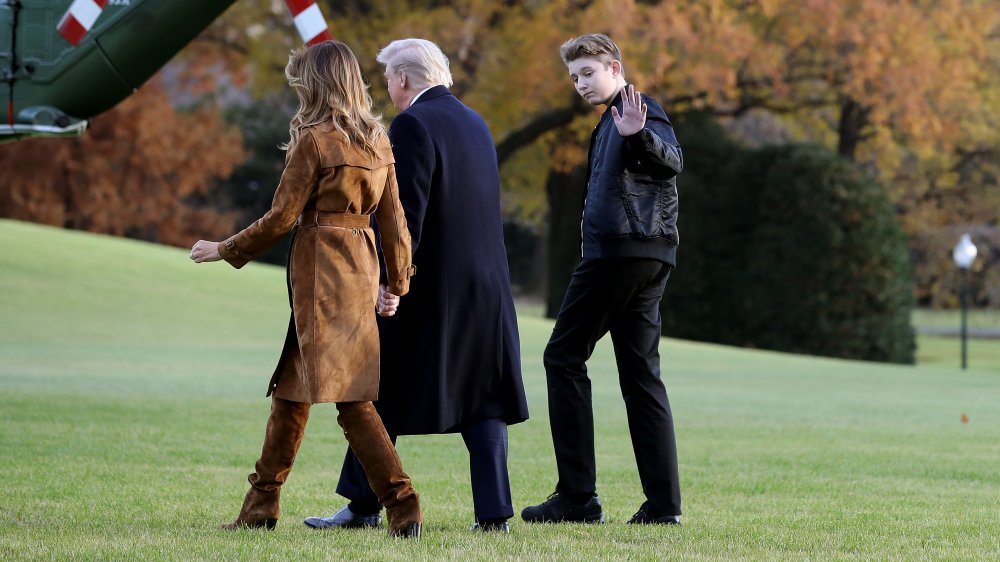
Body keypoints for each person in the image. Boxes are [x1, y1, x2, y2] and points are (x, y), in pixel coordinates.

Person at [188, 40, 422, 538]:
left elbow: (282, 217)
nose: (296, 89)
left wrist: (224, 248)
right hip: (359, 269)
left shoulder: (313, 140)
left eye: (301, 81)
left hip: (321, 271)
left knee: (352, 400)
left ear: (316, 84)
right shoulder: (378, 139)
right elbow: (394, 220)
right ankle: (260, 507)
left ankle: (403, 506)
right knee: (291, 394)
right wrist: (396, 281)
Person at [303, 38, 528, 534]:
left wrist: (389, 281)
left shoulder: (412, 124)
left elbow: (406, 216)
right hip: (487, 287)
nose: (387, 88)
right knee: (484, 399)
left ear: (405, 79)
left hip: (429, 286)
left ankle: (363, 506)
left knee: (381, 389)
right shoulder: (476, 122)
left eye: (388, 79)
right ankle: (494, 518)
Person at [521, 33, 684, 526]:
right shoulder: (612, 119)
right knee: (640, 376)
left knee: (562, 357)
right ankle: (663, 508)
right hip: (649, 256)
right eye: (574, 77)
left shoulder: (637, 110)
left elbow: (671, 160)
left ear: (615, 67)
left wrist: (638, 133)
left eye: (589, 73)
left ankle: (577, 499)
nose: (581, 84)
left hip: (618, 256)